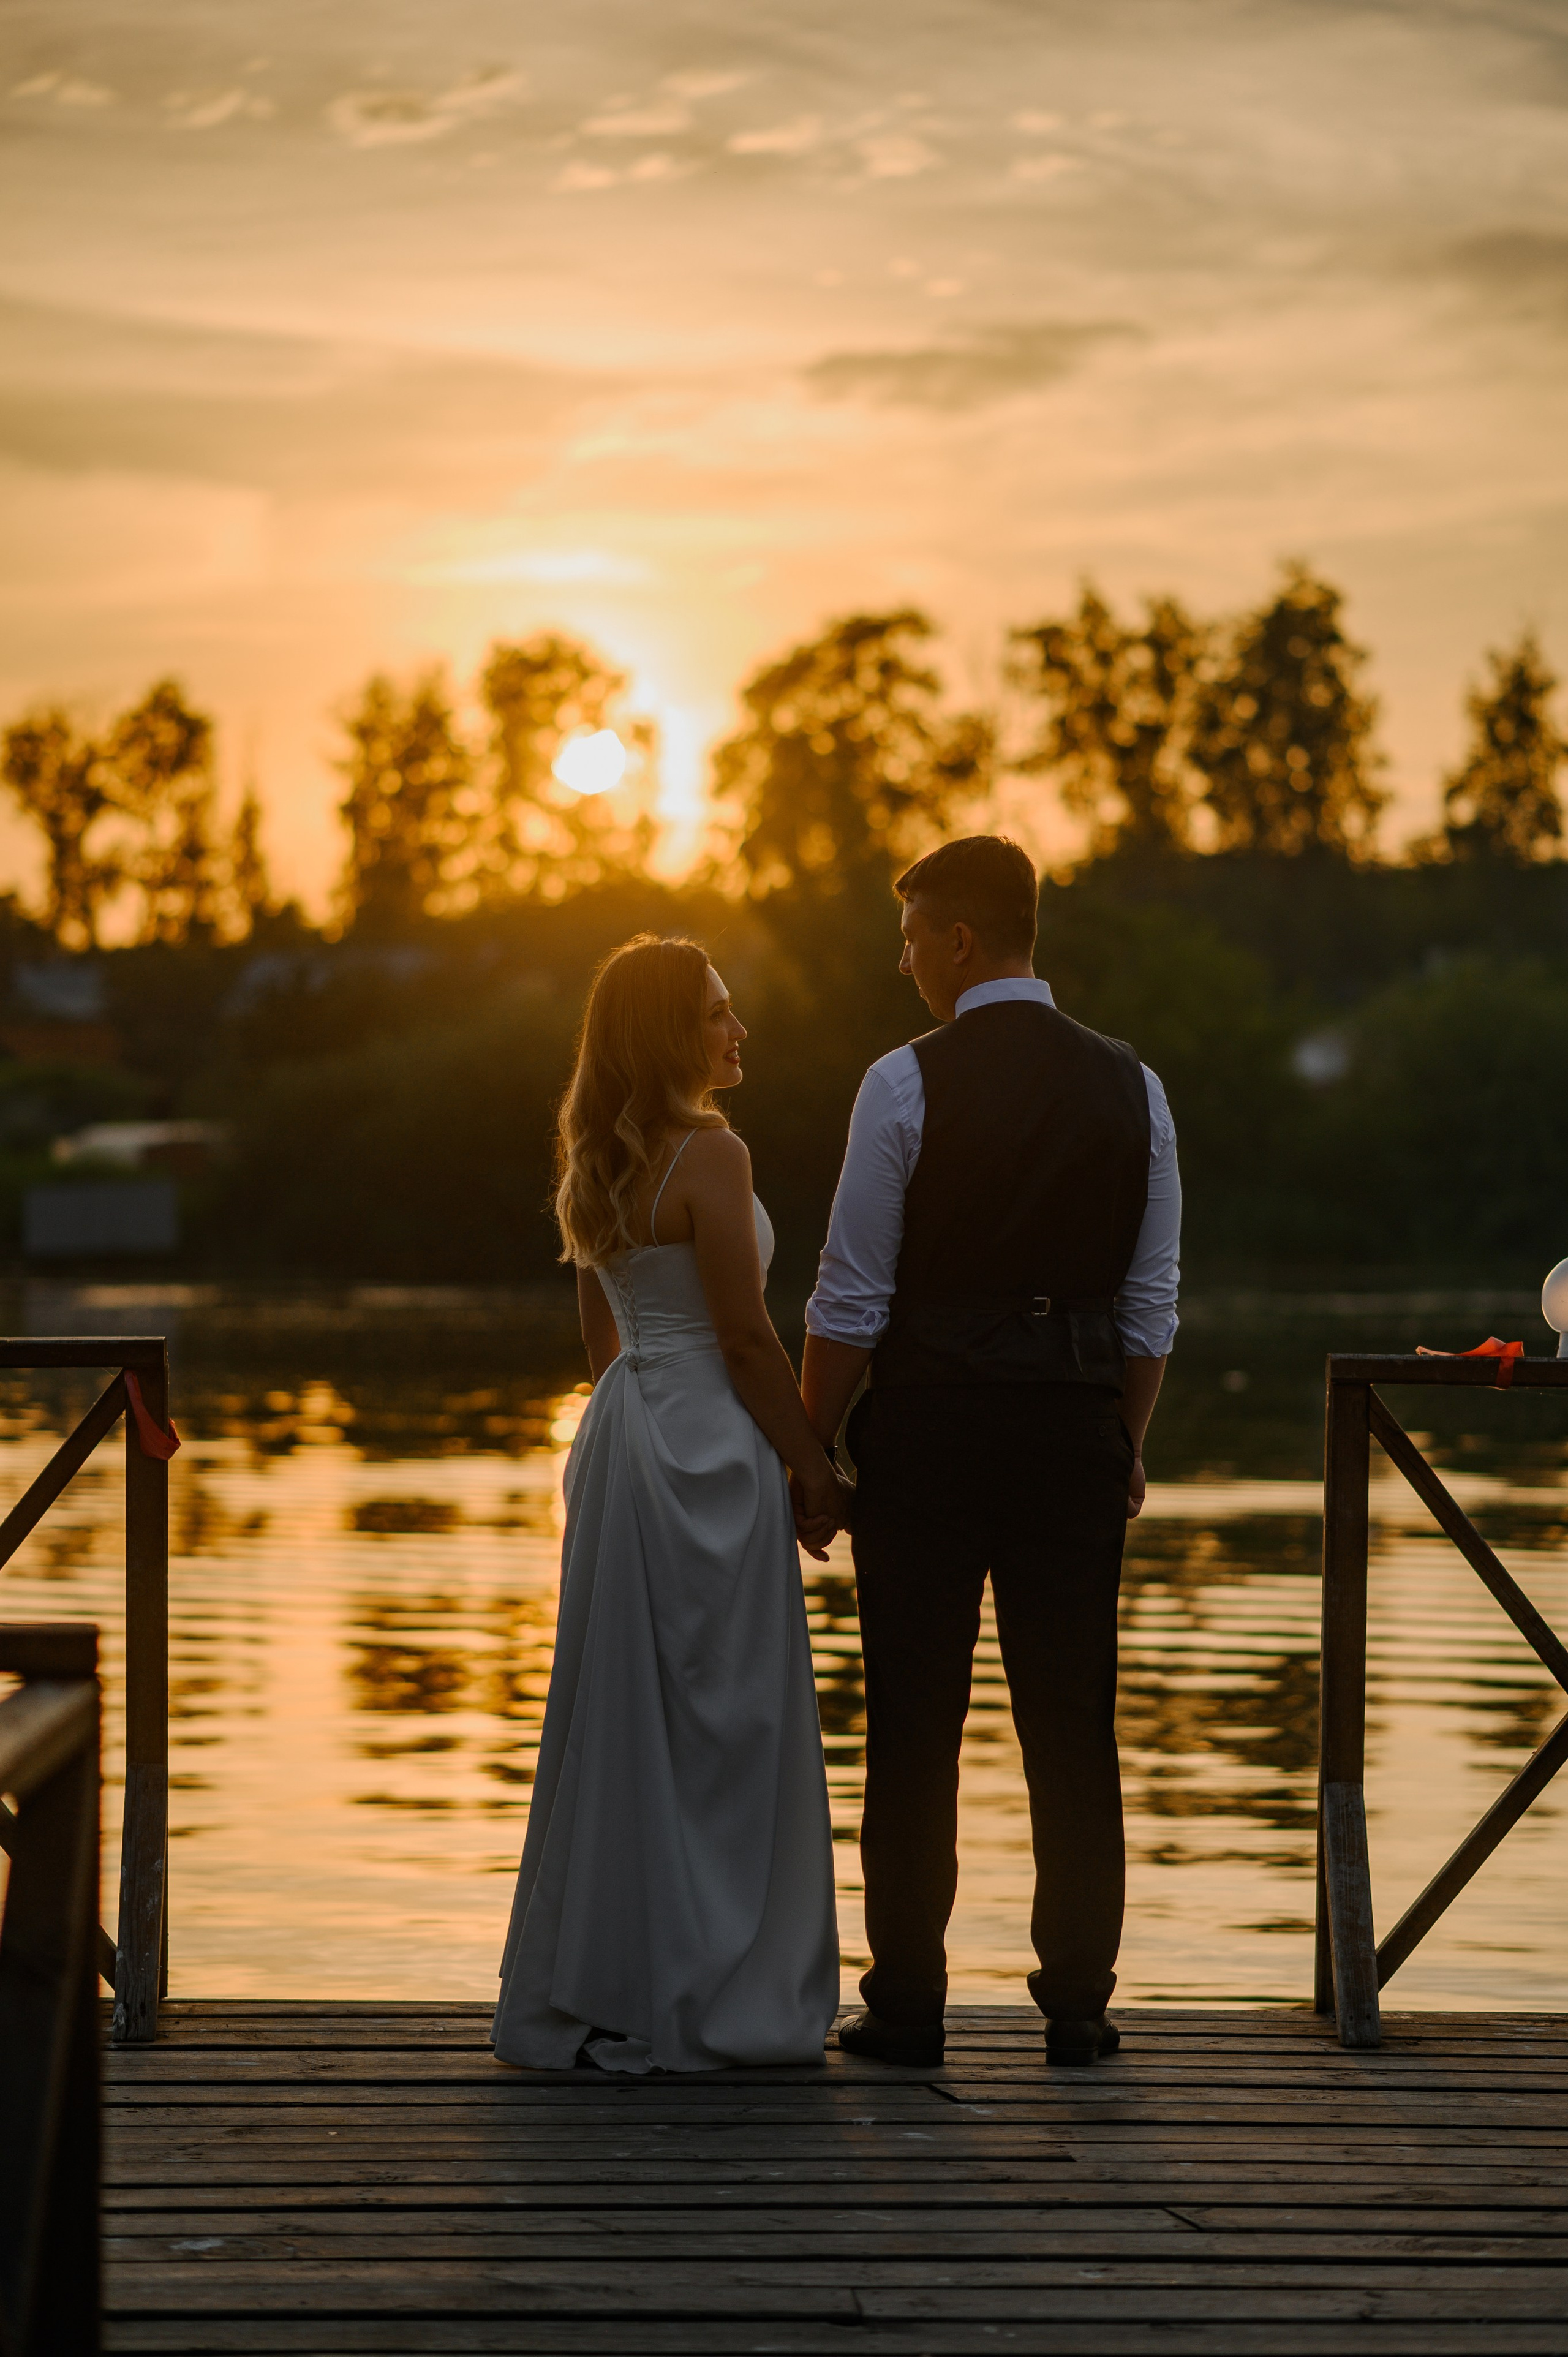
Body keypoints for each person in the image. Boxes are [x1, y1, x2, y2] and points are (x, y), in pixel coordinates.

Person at [800, 837, 1180, 2068]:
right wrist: (1117, 1441)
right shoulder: (1136, 1086)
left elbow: (849, 1300)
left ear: (960, 941)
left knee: (914, 1720)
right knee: (1070, 1719)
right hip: (1071, 1426)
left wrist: (811, 1449)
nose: (899, 957)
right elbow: (1148, 1308)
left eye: (909, 934)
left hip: (930, 1434)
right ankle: (1077, 2003)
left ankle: (906, 2003)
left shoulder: (901, 1083)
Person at [492, 934, 847, 2075]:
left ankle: (610, 1986)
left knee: (619, 1722)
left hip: (622, 1439)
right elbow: (746, 1339)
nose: (738, 1031)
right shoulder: (715, 1153)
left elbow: (605, 1342)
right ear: (668, 1034)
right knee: (725, 1729)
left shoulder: (590, 1157)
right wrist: (816, 1471)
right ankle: (715, 1984)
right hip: (710, 1446)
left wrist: (623, 1436)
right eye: (716, 1014)